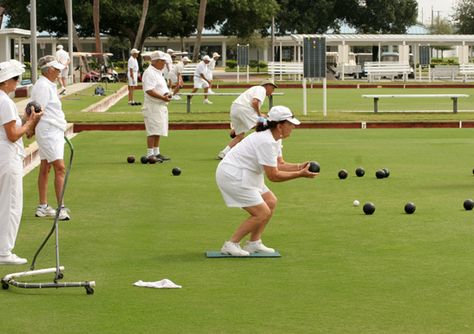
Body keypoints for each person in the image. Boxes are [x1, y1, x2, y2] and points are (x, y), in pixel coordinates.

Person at [216, 106, 317, 256]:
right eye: (290, 124)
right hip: (233, 175)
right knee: (261, 212)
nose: (293, 127)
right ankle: (231, 244)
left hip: (248, 173)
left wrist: (299, 166)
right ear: (280, 125)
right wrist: (300, 174)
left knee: (270, 202)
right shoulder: (266, 141)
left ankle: (254, 243)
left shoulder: (275, 138)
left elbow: (280, 164)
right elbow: (273, 175)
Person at [0, 60, 42, 264]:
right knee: (11, 203)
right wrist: (31, 122)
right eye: (15, 79)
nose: (18, 82)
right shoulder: (5, 102)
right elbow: (12, 135)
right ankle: (4, 252)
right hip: (6, 156)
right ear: (6, 81)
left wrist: (26, 122)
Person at [31, 55, 71, 221]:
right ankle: (61, 208)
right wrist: (30, 128)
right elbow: (37, 111)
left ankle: (43, 206)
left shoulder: (49, 85)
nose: (58, 72)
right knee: (59, 168)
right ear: (48, 70)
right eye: (56, 69)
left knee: (46, 166)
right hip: (48, 131)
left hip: (53, 130)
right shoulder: (42, 86)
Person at [217, 79, 277, 159]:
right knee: (263, 127)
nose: (272, 91)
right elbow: (255, 102)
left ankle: (224, 153)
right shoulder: (261, 89)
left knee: (240, 135)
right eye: (273, 88)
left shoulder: (255, 89)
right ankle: (262, 151)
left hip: (235, 108)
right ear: (267, 85)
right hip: (244, 109)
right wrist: (260, 115)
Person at [141, 51, 172, 162]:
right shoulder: (149, 73)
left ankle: (156, 153)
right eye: (162, 61)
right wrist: (162, 97)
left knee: (158, 129)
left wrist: (167, 95)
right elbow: (149, 90)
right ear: (156, 61)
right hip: (152, 106)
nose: (164, 63)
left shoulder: (158, 72)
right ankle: (150, 154)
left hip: (160, 105)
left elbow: (160, 89)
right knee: (152, 130)